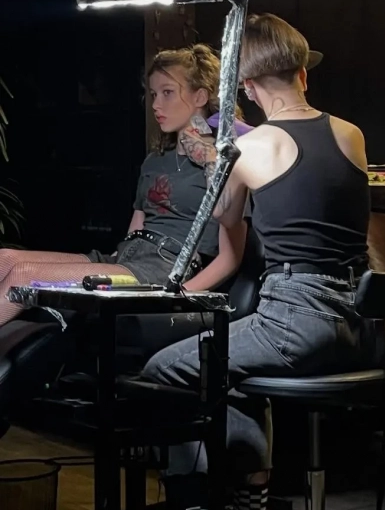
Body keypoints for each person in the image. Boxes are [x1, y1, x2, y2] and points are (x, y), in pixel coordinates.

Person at [140, 14, 373, 510]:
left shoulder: (250, 148)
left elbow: (224, 216)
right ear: (302, 74)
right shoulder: (351, 134)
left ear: (245, 87)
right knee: (231, 373)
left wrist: (221, 154)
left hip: (293, 320)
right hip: (356, 323)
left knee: (161, 371)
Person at [0, 45, 247, 327]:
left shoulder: (225, 162)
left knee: (24, 276)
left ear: (200, 96)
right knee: (5, 259)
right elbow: (136, 227)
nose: (155, 104)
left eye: (167, 93)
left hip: (166, 266)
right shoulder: (156, 160)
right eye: (153, 94)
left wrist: (177, 294)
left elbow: (230, 257)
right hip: (128, 258)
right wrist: (112, 265)